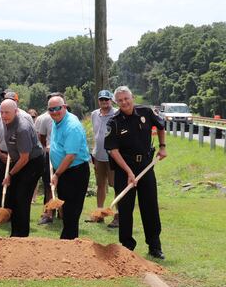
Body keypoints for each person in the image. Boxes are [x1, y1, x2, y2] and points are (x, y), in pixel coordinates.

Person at [104, 86, 167, 260]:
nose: (124, 102)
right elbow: (113, 150)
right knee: (125, 210)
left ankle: (154, 246)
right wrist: (129, 172)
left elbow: (161, 126)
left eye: (127, 98)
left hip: (146, 167)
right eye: (120, 100)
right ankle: (127, 247)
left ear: (132, 97)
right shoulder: (114, 122)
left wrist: (162, 147)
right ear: (116, 102)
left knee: (150, 207)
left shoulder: (146, 112)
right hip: (124, 170)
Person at [0, 99, 45, 237]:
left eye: (7, 112)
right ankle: (15, 233)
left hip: (32, 163)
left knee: (22, 197)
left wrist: (10, 175)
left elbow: (25, 158)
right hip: (20, 160)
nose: (3, 115)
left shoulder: (22, 128)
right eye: (1, 112)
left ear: (16, 111)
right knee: (12, 196)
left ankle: (21, 235)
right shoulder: (7, 121)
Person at [48, 95, 91, 240]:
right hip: (63, 172)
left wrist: (57, 174)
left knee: (72, 211)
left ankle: (69, 243)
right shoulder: (57, 121)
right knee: (65, 210)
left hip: (75, 172)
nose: (54, 112)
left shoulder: (72, 126)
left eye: (57, 108)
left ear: (64, 107)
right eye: (51, 109)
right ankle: (68, 242)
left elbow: (71, 155)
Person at [88, 90, 119, 226]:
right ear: (99, 101)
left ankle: (118, 216)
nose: (104, 102)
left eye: (107, 100)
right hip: (98, 156)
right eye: (102, 100)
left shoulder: (117, 113)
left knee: (116, 186)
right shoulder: (94, 114)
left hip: (113, 157)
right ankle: (99, 214)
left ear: (111, 100)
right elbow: (96, 134)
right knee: (100, 186)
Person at [33, 92, 62, 225]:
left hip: (64, 155)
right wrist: (47, 148)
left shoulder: (68, 117)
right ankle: (48, 213)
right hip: (49, 154)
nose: (54, 109)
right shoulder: (43, 119)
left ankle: (62, 212)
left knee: (63, 185)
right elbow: (41, 137)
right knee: (49, 185)